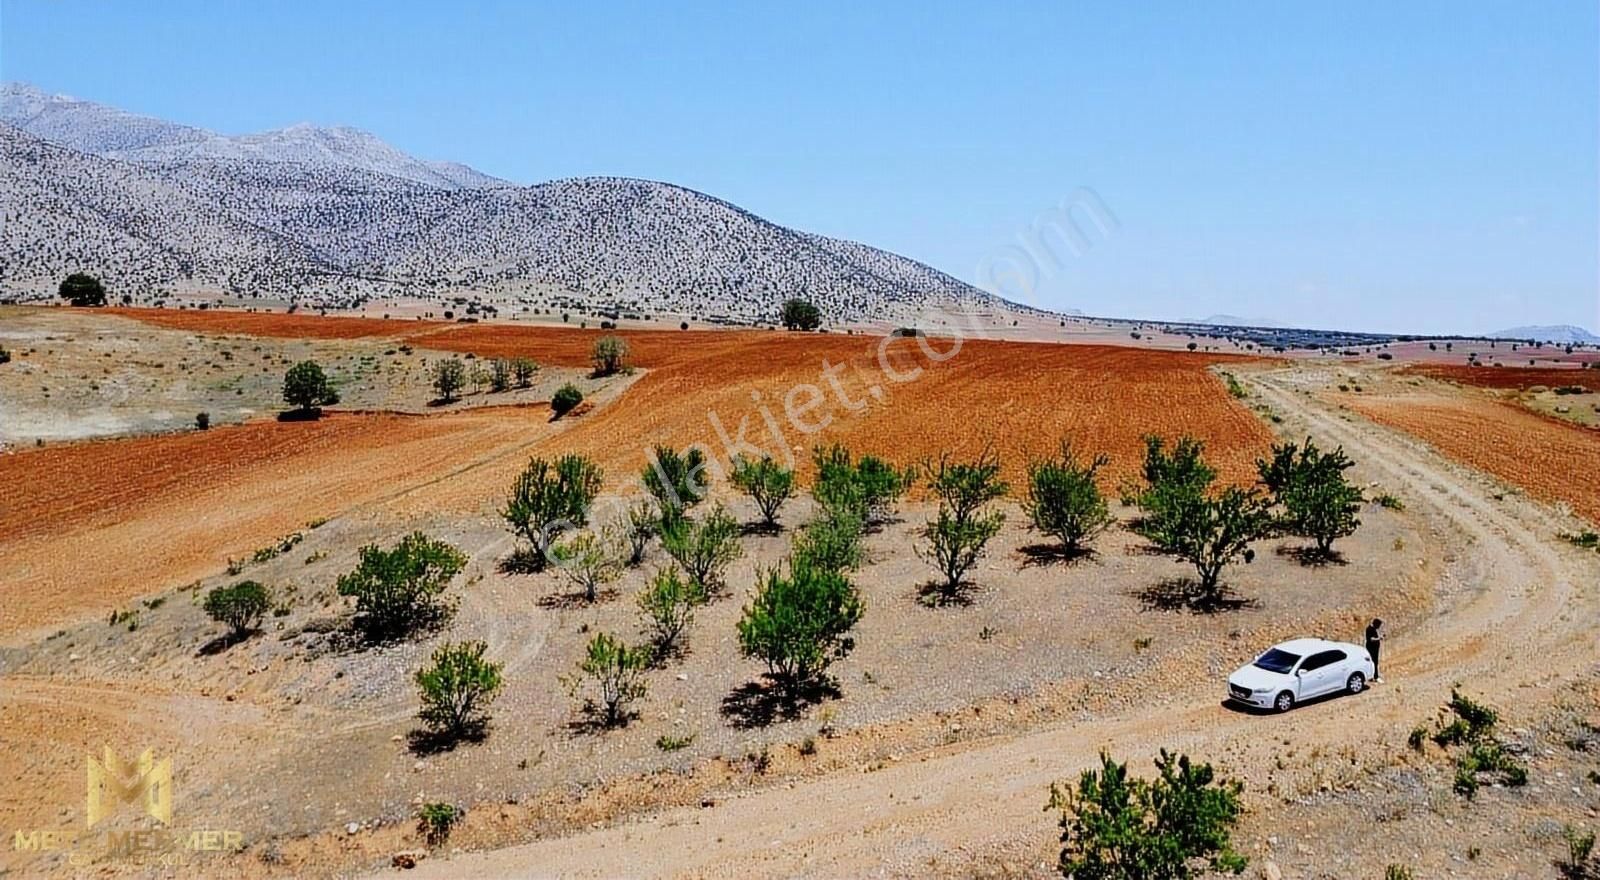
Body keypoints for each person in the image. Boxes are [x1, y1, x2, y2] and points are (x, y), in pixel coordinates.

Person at [1365, 618, 1385, 683]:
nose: (1379, 627)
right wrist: (1379, 638)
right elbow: (1371, 639)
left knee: (1374, 662)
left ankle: (1372, 675)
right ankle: (1375, 677)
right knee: (1374, 662)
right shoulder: (1369, 629)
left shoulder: (1373, 629)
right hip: (1372, 648)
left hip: (1375, 648)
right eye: (1379, 625)